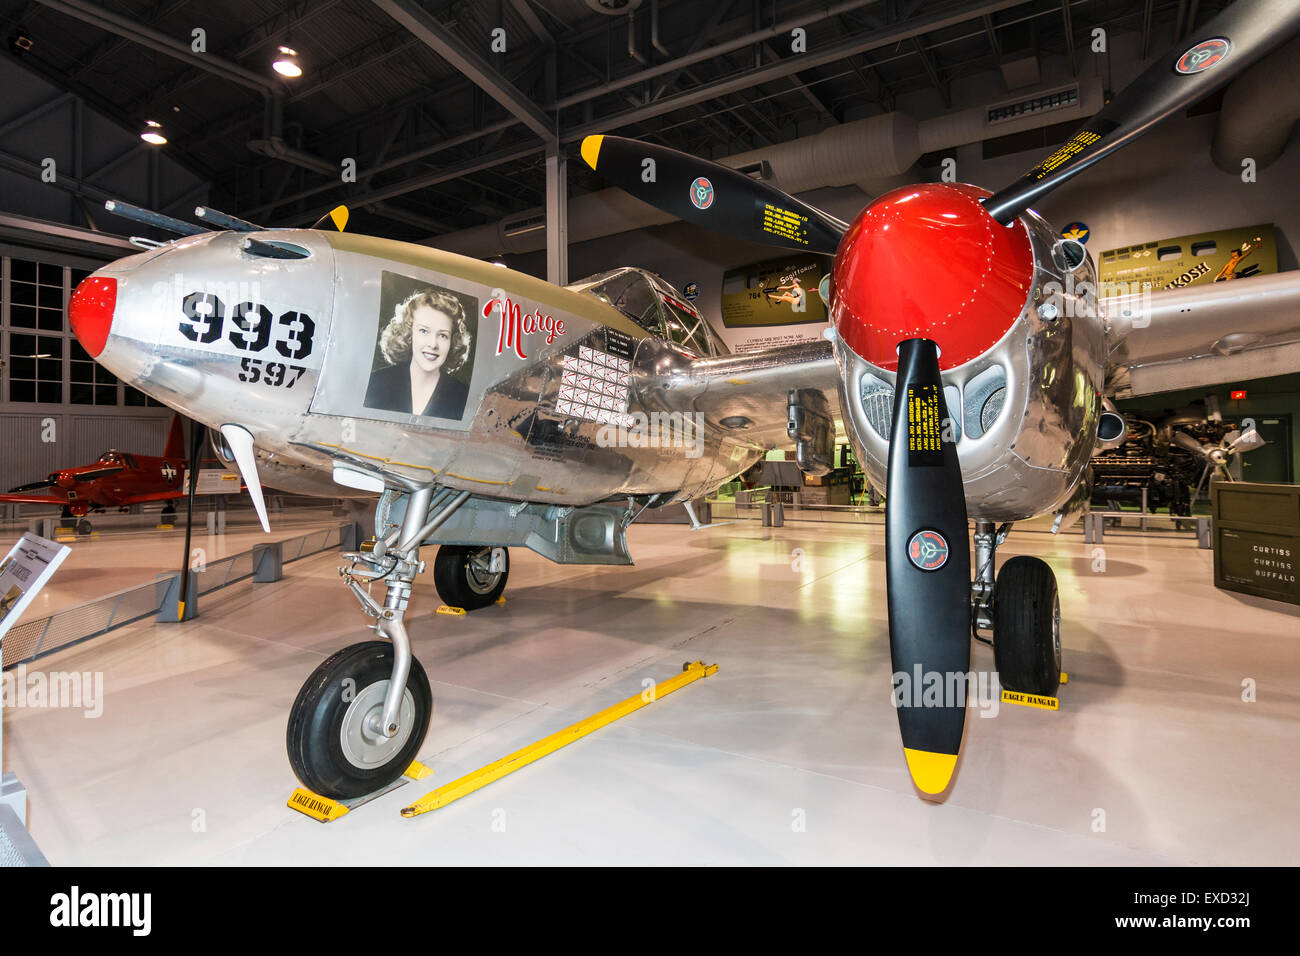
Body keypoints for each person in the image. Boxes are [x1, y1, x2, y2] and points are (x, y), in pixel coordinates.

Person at [364, 288, 472, 419]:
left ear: (452, 342)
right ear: (409, 334)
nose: (433, 344)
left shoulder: (464, 396)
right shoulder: (375, 383)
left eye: (443, 335)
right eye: (424, 331)